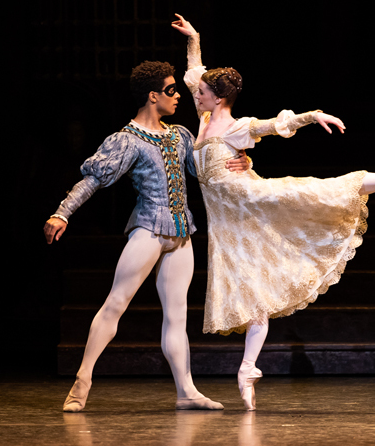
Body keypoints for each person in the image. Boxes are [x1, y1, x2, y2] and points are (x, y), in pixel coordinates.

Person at [171, 13, 375, 411]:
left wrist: (311, 116)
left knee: (324, 191)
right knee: (253, 293)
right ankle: (247, 370)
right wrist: (194, 38)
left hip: (252, 200)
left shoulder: (237, 127)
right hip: (229, 224)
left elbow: (272, 126)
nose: (194, 94)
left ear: (219, 98)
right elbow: (194, 71)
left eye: (202, 93)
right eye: (197, 91)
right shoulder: (202, 118)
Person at [43, 60, 250, 412]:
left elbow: (207, 171)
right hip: (149, 230)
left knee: (177, 316)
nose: (178, 97)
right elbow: (94, 179)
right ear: (153, 96)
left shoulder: (180, 135)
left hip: (181, 233)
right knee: (116, 303)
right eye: (171, 90)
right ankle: (83, 380)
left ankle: (186, 391)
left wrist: (240, 162)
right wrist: (63, 211)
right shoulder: (127, 140)